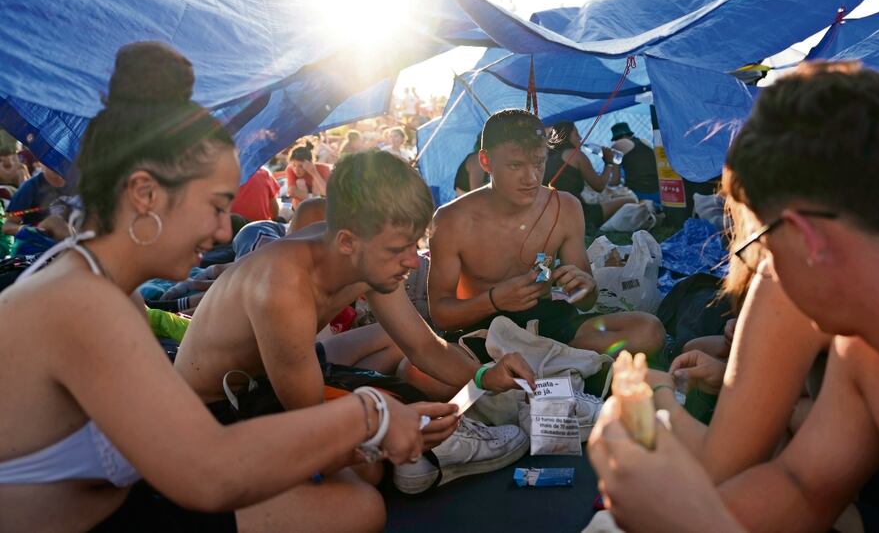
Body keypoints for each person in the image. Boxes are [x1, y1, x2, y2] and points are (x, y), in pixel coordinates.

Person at [0, 41, 423, 531]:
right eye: (217, 206)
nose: (225, 232)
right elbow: (211, 475)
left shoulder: (111, 291)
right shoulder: (82, 303)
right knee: (356, 504)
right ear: (145, 194)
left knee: (357, 500)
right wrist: (370, 415)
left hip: (131, 500)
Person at [589, 61, 879, 531]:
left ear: (807, 240)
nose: (762, 275)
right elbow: (802, 483)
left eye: (757, 250)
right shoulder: (866, 337)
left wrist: (689, 517)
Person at [175, 150, 536, 494]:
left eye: (415, 244)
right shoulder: (283, 285)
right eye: (399, 250)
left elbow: (422, 344)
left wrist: (485, 376)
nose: (413, 262)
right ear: (348, 242)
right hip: (219, 409)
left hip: (277, 373)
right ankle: (432, 451)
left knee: (407, 368)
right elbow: (309, 415)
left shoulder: (364, 256)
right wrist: (388, 430)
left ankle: (423, 442)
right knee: (365, 480)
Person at [429, 109, 666, 362]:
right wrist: (494, 300)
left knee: (648, 330)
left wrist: (584, 287)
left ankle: (543, 363)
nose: (531, 178)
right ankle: (555, 364)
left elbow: (586, 301)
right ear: (486, 162)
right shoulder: (451, 220)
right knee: (425, 368)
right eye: (515, 165)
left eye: (539, 162)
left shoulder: (565, 207)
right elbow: (441, 314)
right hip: (484, 333)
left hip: (549, 326)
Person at [543, 121, 635, 230]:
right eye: (576, 134)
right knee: (631, 200)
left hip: (551, 216)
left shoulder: (546, 157)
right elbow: (599, 186)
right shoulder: (575, 154)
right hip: (578, 215)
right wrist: (608, 162)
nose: (581, 138)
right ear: (567, 135)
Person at [3, 163, 76, 241]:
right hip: (38, 243)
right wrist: (35, 231)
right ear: (42, 163)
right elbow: (7, 227)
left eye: (63, 162)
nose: (57, 165)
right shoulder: (30, 187)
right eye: (52, 161)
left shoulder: (78, 185)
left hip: (73, 239)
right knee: (55, 222)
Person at [609, 121, 660, 203]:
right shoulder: (644, 141)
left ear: (617, 138)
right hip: (659, 192)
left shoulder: (617, 145)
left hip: (639, 194)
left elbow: (615, 181)